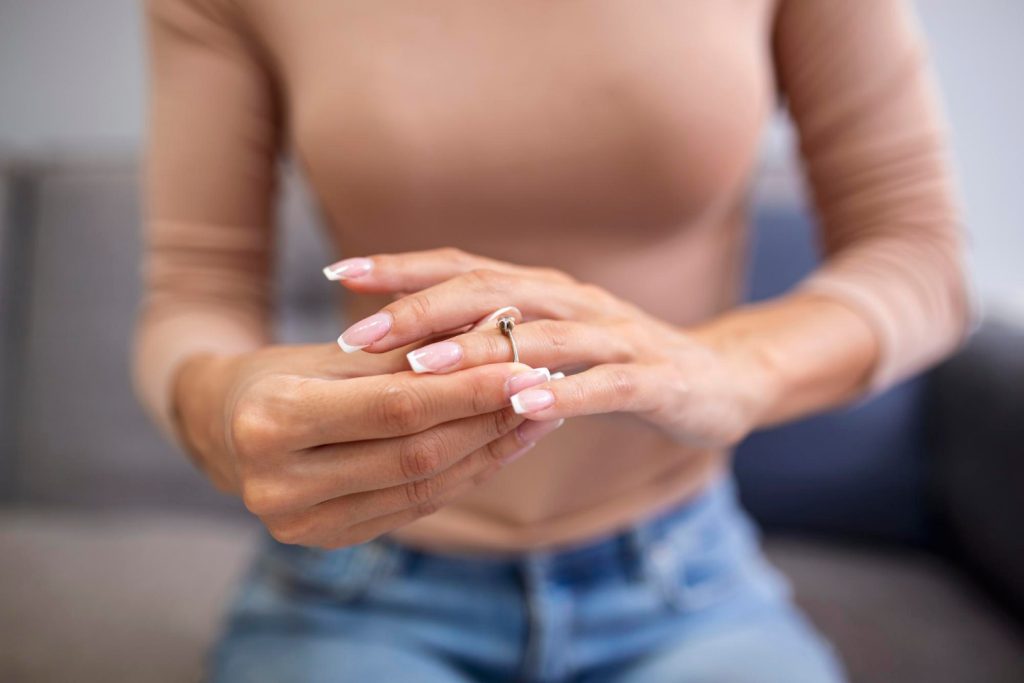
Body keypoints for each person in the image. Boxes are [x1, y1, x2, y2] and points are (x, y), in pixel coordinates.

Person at [135, 0, 970, 680]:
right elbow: (194, 292)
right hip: (358, 583)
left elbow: (920, 254)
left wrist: (730, 367)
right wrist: (220, 404)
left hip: (681, 572)